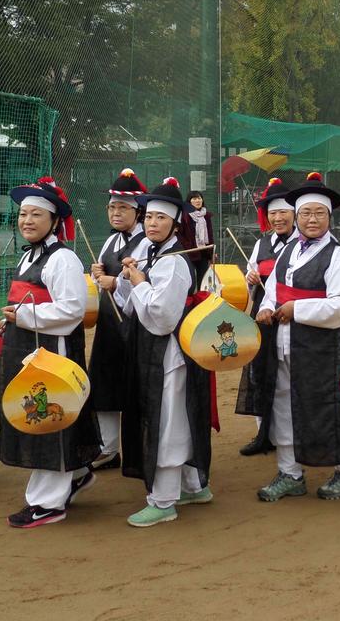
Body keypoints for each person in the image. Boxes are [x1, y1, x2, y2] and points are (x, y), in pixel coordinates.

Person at [0, 178, 102, 528]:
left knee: (48, 420)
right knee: (43, 416)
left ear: (54, 221)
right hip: (26, 347)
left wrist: (23, 316)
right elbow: (26, 301)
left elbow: (73, 310)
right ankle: (78, 473)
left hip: (50, 353)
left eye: (36, 214)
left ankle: (46, 504)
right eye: (23, 214)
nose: (27, 220)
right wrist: (7, 321)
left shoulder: (63, 258)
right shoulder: (28, 256)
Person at [255, 172, 340, 501]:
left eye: (318, 213)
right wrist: (267, 307)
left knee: (327, 407)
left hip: (319, 349)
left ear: (329, 217)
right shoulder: (289, 251)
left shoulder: (337, 256)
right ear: (296, 217)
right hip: (284, 345)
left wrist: (295, 311)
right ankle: (290, 472)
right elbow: (273, 290)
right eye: (305, 213)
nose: (311, 219)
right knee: (284, 406)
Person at [116, 178, 212, 526]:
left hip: (169, 350)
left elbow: (162, 316)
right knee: (175, 413)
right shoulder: (149, 252)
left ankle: (164, 500)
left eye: (160, 218)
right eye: (148, 217)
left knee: (168, 418)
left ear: (175, 223)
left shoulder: (173, 261)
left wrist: (138, 284)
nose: (152, 224)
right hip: (154, 348)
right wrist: (127, 280)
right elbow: (132, 305)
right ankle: (194, 484)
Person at [84, 168, 147, 470]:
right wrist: (99, 277)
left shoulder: (146, 243)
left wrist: (115, 283)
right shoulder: (111, 241)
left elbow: (145, 284)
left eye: (123, 208)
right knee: (105, 382)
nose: (116, 213)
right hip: (109, 325)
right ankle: (108, 449)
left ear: (137, 212)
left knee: (134, 386)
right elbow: (104, 278)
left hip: (135, 326)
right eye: (112, 207)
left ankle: (142, 449)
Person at [236, 177, 296, 457]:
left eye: (283, 212)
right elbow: (250, 276)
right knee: (260, 372)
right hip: (261, 316)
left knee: (286, 376)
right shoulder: (262, 244)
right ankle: (264, 433)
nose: (278, 218)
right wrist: (249, 278)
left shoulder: (302, 244)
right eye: (272, 213)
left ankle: (291, 433)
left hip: (289, 317)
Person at [180, 190, 214, 285]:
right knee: (189, 279)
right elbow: (180, 234)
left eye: (199, 198)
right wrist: (188, 246)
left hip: (203, 251)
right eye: (194, 198)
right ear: (189, 201)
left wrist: (211, 252)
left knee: (203, 279)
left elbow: (210, 235)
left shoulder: (206, 216)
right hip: (189, 252)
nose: (198, 200)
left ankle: (201, 298)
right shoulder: (185, 216)